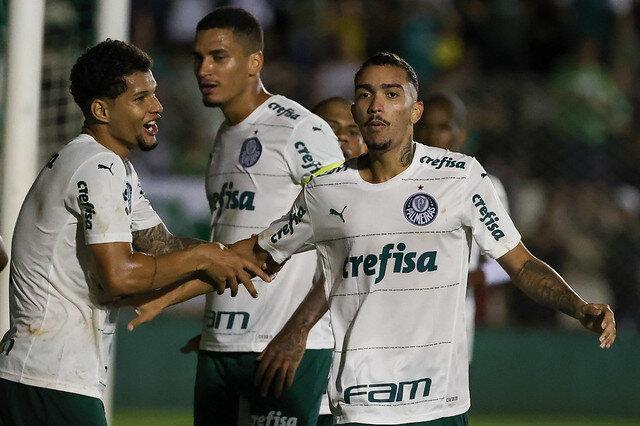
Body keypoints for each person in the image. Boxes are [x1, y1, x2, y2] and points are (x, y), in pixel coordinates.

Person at [230, 52, 616, 425]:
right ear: (355, 109)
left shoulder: (461, 177)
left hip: (439, 405)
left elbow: (520, 263)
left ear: (415, 111)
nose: (376, 105)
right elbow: (253, 256)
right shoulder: (325, 190)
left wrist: (578, 306)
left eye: (391, 94)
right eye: (365, 94)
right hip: (362, 405)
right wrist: (178, 273)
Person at [0, 39, 269, 426]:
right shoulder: (98, 167)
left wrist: (232, 253)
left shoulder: (114, 168)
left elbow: (164, 246)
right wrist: (205, 256)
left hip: (37, 376)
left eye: (154, 96)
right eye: (141, 98)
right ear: (101, 110)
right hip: (47, 379)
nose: (157, 107)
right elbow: (119, 278)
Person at [181, 7, 343, 426]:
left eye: (219, 57)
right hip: (221, 344)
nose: (204, 68)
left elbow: (346, 233)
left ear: (255, 62)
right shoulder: (222, 138)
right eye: (198, 58)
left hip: (280, 349)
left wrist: (297, 333)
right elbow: (227, 244)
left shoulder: (299, 129)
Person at [415, 92, 511, 360]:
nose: (432, 136)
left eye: (444, 127)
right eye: (425, 126)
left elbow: (505, 266)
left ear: (461, 134)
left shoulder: (482, 184)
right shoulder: (398, 181)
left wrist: (462, 280)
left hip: (451, 321)